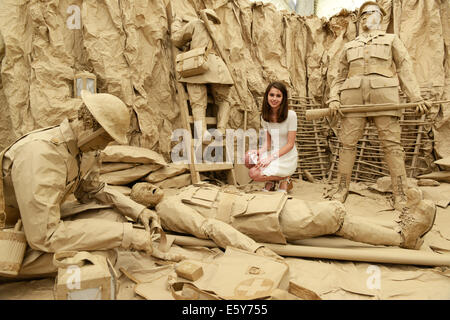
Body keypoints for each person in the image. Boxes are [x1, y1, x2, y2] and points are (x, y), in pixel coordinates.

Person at [0, 90, 178, 277]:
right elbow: (45, 236)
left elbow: (92, 188)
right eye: (105, 137)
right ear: (88, 124)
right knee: (97, 253)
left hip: (35, 222)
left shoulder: (84, 147)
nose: (104, 146)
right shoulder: (42, 154)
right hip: (13, 235)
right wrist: (127, 235)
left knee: (112, 216)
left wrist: (136, 210)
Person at [327, 1, 432, 210]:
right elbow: (337, 76)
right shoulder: (349, 46)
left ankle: (400, 193)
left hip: (385, 99)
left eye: (372, 12)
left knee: (392, 146)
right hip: (353, 100)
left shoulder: (392, 40)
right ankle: (341, 189)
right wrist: (334, 98)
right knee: (347, 145)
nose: (367, 16)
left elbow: (404, 68)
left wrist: (416, 97)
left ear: (381, 17)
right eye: (364, 14)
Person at [149, 183, 435, 257]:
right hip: (256, 218)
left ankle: (399, 229)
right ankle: (402, 238)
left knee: (332, 219)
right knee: (334, 215)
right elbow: (209, 227)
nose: (150, 189)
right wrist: (254, 248)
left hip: (262, 204)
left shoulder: (183, 190)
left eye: (147, 185)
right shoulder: (168, 206)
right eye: (143, 192)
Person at [171, 8, 233, 140]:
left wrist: (176, 21)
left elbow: (176, 39)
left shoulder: (195, 23)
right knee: (224, 100)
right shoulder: (220, 31)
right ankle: (221, 130)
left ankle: (203, 133)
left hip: (197, 65)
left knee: (198, 102)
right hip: (219, 68)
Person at [244, 82, 298, 192]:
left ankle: (285, 178)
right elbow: (267, 143)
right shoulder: (265, 117)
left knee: (253, 173)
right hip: (272, 152)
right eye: (271, 95)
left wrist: (270, 158)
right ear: (267, 96)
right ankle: (273, 181)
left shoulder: (291, 115)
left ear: (283, 98)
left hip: (286, 155)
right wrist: (259, 151)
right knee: (248, 158)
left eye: (278, 96)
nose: (274, 98)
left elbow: (290, 145)